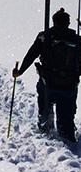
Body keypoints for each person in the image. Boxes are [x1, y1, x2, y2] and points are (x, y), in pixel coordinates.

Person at [13, 8, 81, 142]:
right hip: (69, 86)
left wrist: (20, 71)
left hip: (47, 84)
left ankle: (45, 132)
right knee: (66, 119)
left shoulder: (45, 36)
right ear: (68, 23)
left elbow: (31, 54)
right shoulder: (77, 40)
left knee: (45, 111)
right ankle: (67, 135)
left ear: (54, 22)